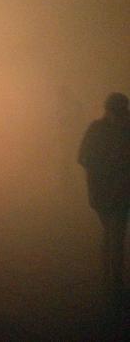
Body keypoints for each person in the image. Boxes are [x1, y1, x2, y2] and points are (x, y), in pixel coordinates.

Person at [78, 92, 130, 308]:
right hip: (104, 192)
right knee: (115, 233)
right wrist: (109, 163)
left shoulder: (117, 129)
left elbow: (82, 157)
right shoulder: (97, 130)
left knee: (113, 233)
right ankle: (113, 280)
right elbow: (83, 158)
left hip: (120, 190)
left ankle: (109, 278)